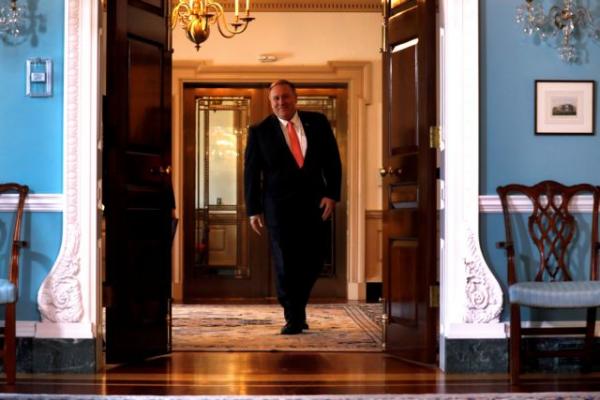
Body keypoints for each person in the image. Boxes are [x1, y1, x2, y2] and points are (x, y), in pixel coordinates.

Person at [244, 80, 342, 335]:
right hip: (278, 207)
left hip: (315, 203)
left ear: (295, 97)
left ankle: (297, 306)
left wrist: (332, 194)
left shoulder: (318, 122)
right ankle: (294, 316)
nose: (281, 102)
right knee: (286, 262)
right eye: (276, 98)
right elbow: (251, 173)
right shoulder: (259, 131)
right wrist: (253, 209)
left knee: (315, 259)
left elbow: (332, 160)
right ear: (270, 102)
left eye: (285, 97)